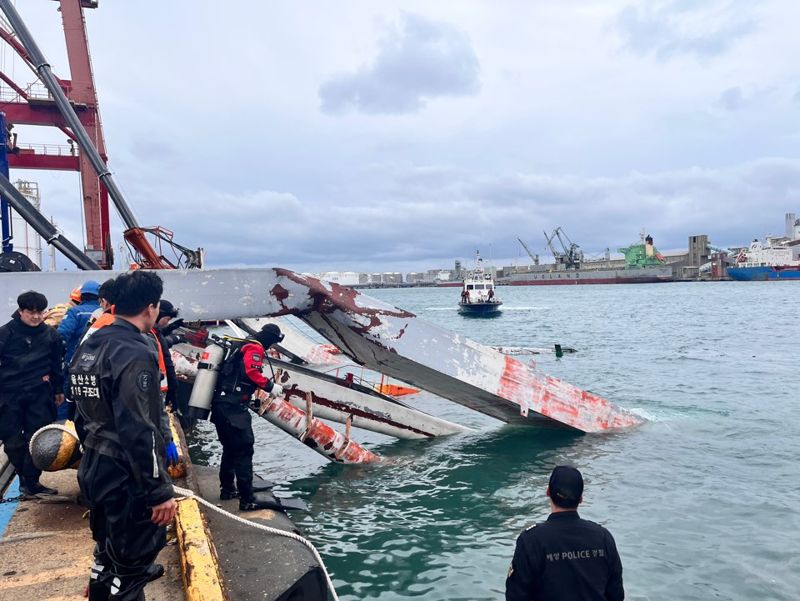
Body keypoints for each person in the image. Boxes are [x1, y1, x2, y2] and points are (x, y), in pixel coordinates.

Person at [70, 271, 175, 601]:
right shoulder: (134, 351)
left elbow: (78, 410)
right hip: (125, 473)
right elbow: (138, 426)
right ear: (150, 307)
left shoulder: (90, 344)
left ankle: (102, 589)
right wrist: (158, 490)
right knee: (129, 569)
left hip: (95, 464)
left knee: (106, 553)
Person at [505, 465, 624, 601]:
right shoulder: (603, 537)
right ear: (580, 499)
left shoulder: (530, 540)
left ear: (548, 492)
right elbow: (616, 595)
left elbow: (515, 596)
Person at [211, 323, 285, 510]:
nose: (271, 346)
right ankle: (247, 499)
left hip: (220, 404)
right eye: (274, 342)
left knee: (229, 448)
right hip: (233, 408)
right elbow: (251, 372)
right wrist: (270, 386)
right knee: (244, 449)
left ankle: (227, 489)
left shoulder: (242, 344)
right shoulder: (254, 348)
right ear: (270, 338)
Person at [0, 291, 65, 497]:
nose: (36, 317)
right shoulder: (5, 333)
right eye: (31, 312)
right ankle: (23, 476)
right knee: (12, 441)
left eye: (40, 312)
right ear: (21, 311)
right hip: (9, 394)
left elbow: (57, 365)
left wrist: (58, 389)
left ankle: (31, 481)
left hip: (39, 393)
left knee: (36, 438)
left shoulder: (51, 335)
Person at [58, 280, 101, 419]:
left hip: (74, 364)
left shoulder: (75, 312)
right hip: (98, 366)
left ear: (82, 296)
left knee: (67, 398)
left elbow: (62, 335)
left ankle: (64, 431)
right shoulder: (105, 314)